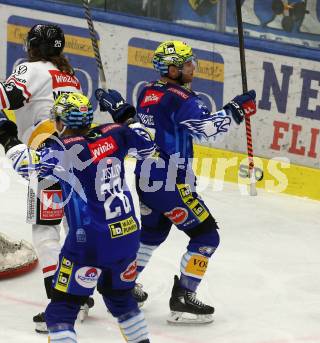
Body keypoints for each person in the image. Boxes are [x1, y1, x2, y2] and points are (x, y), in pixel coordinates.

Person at [96, 40, 257, 324]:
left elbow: (140, 125)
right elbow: (207, 132)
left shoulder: (148, 91)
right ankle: (183, 297)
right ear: (171, 69)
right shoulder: (183, 99)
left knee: (152, 235)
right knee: (207, 236)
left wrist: (120, 109)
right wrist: (236, 109)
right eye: (186, 63)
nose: (192, 67)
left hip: (147, 179)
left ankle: (123, 285)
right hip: (172, 181)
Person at [0, 92, 153, 342]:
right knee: (122, 301)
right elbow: (148, 143)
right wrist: (126, 115)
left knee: (62, 311)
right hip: (126, 236)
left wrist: (4, 134)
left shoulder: (62, 149)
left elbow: (28, 167)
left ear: (61, 122)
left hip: (87, 242)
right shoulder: (115, 132)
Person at [0, 23, 93, 332]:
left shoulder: (32, 69)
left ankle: (65, 304)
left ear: (32, 45)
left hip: (49, 157)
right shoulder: (70, 75)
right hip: (78, 153)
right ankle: (82, 292)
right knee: (73, 224)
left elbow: (6, 98)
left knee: (45, 231)